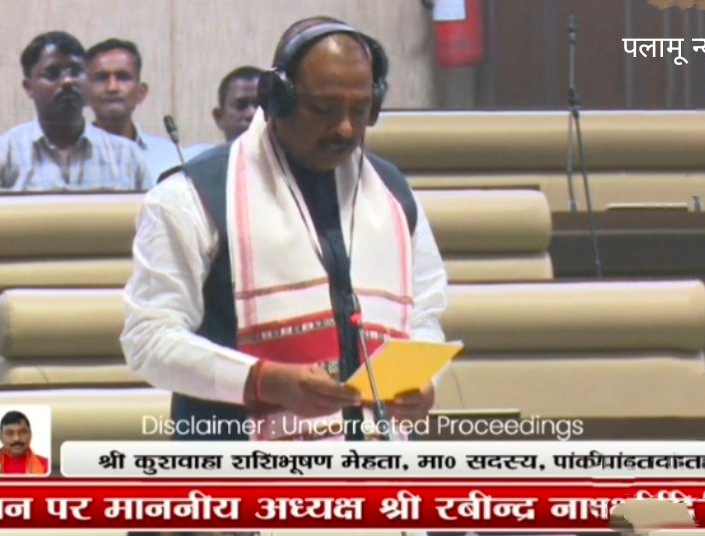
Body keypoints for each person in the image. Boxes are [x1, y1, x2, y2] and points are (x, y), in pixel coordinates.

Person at [121, 17, 447, 442]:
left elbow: (425, 316)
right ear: (277, 99)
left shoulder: (393, 194)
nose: (346, 128)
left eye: (360, 110)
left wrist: (423, 384)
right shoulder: (191, 196)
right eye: (324, 109)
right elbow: (148, 340)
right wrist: (262, 380)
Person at [0, 31, 150, 191]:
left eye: (76, 72)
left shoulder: (126, 156)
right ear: (29, 87)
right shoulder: (3, 153)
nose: (68, 81)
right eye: (52, 74)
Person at [86, 38, 186, 185]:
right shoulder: (70, 157)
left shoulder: (171, 156)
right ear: (84, 92)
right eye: (101, 78)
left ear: (141, 93)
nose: (112, 87)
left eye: (123, 77)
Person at [0, 410, 50, 475]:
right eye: (9, 433)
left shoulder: (47, 466)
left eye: (22, 432)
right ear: (0, 437)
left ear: (30, 434)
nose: (16, 439)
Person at [213, 66, 263, 142]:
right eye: (240, 106)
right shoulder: (203, 150)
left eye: (261, 105)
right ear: (219, 117)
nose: (252, 113)